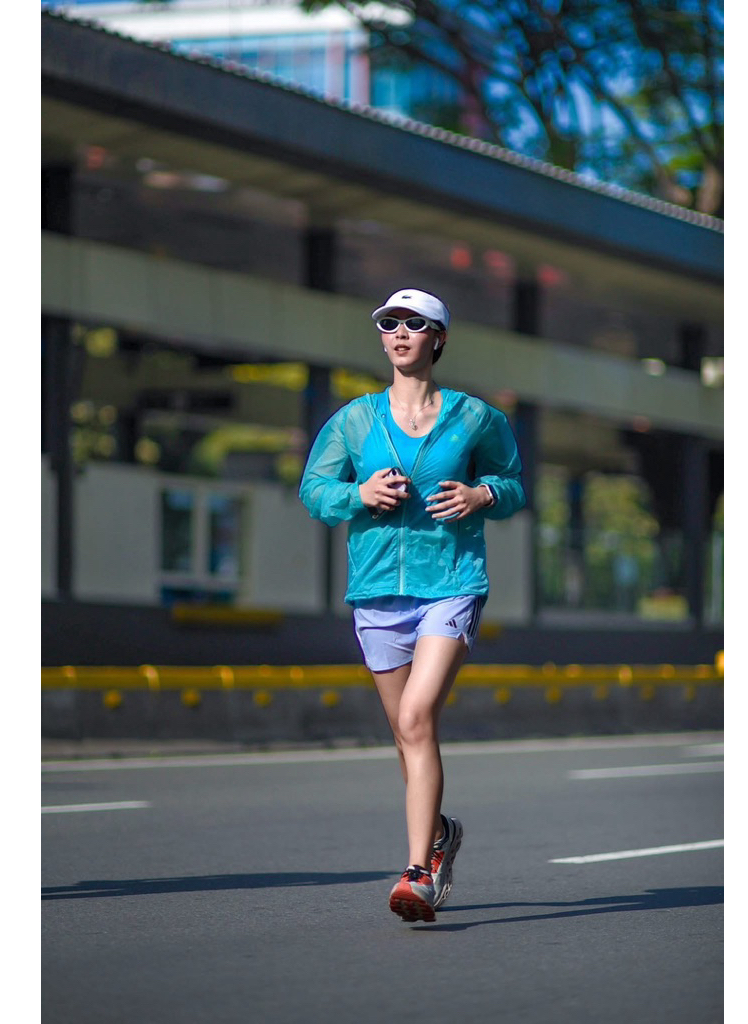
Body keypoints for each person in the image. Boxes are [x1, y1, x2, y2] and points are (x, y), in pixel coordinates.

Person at [298, 287, 526, 923]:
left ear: (438, 338)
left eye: (414, 324)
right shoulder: (354, 420)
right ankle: (441, 834)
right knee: (405, 734)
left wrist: (482, 496)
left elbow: (512, 484)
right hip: (376, 590)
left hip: (451, 581)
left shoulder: (475, 417)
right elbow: (314, 489)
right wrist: (358, 494)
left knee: (418, 717)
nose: (399, 333)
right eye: (389, 323)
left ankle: (418, 872)